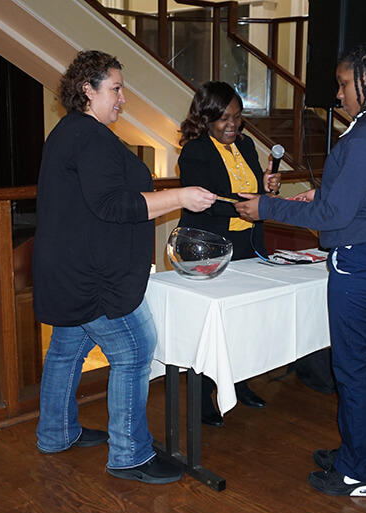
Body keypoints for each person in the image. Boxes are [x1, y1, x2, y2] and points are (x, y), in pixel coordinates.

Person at [235, 42, 366, 497]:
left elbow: (336, 218)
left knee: (354, 369)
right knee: (361, 364)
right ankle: (358, 452)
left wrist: (267, 207)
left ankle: (361, 472)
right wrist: (325, 194)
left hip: (359, 259)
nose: (338, 95)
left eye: (342, 84)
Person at [32, 50, 216, 484]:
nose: (122, 98)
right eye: (115, 88)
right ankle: (130, 454)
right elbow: (114, 206)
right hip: (89, 278)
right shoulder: (88, 136)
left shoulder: (71, 132)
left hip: (69, 270)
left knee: (65, 351)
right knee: (135, 349)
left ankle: (55, 433)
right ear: (87, 90)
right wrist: (181, 196)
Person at [176, 81, 282, 427]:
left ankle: (238, 384)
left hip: (248, 247)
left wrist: (264, 189)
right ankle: (203, 395)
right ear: (206, 118)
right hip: (210, 250)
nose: (232, 125)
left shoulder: (247, 145)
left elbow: (248, 188)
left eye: (237, 117)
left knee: (243, 324)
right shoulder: (195, 151)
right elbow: (206, 202)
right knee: (211, 329)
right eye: (223, 118)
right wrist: (249, 205)